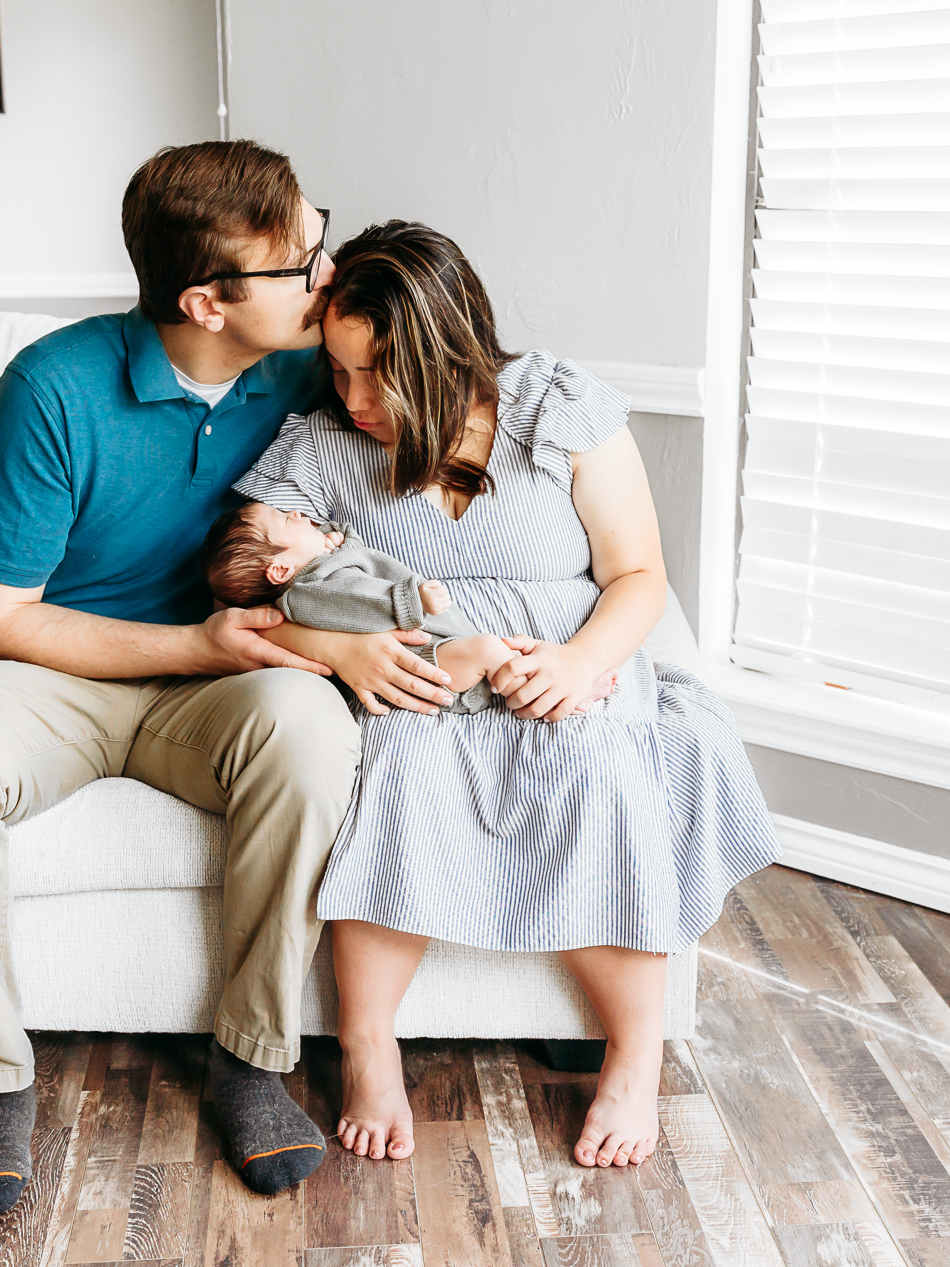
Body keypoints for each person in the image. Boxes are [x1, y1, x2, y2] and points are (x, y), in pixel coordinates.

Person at [0, 142, 455, 1216]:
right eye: (302, 264)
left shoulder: (317, 364)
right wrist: (194, 644)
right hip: (58, 671)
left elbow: (454, 377)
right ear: (205, 300)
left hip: (226, 686)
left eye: (318, 241)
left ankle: (251, 1055)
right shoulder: (53, 386)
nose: (329, 276)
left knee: (311, 732)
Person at [232, 221, 782, 1169]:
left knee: (598, 763)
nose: (355, 399)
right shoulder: (321, 449)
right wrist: (343, 645)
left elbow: (640, 575)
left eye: (378, 376)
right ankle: (370, 1051)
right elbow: (255, 581)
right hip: (430, 677)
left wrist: (576, 666)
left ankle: (633, 1057)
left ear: (449, 355)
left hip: (569, 662)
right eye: (340, 370)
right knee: (396, 770)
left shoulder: (558, 411)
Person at [202, 503, 618, 714]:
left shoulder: (319, 565)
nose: (295, 512)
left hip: (432, 642)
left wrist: (331, 539)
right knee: (490, 651)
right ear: (279, 569)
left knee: (504, 649)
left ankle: (556, 677)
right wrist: (410, 599)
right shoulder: (308, 592)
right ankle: (564, 698)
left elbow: (351, 554)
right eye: (284, 520)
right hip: (417, 659)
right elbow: (357, 601)